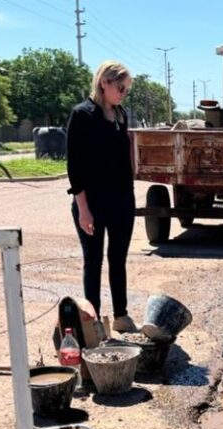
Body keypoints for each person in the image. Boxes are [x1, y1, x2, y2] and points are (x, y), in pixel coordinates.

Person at [65, 61, 139, 334]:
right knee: (93, 260)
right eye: (120, 88)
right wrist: (83, 209)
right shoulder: (82, 115)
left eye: (126, 90)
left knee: (118, 258)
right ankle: (93, 322)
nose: (123, 94)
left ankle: (121, 315)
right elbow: (75, 167)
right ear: (103, 83)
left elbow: (124, 156)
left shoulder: (121, 115)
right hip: (92, 202)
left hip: (121, 200)